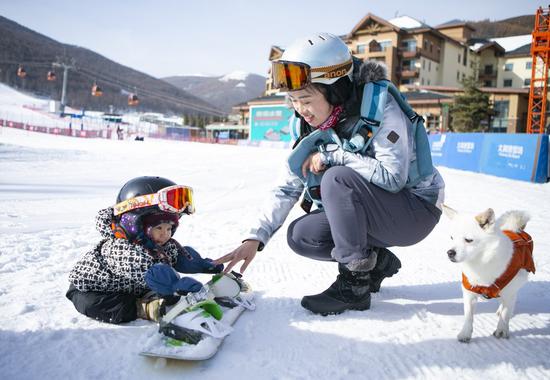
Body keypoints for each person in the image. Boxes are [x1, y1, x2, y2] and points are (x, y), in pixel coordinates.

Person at [215, 33, 445, 315]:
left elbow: (392, 178)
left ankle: (354, 287)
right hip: (380, 211)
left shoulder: (381, 107)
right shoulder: (305, 124)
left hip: (414, 210)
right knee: (302, 235)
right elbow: (288, 186)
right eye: (294, 101)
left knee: (337, 177)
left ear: (335, 90)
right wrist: (255, 238)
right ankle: (376, 262)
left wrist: (335, 155)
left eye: (307, 99)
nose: (301, 110)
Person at [66, 176, 223, 324]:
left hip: (132, 285)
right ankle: (143, 308)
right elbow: (148, 270)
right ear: (135, 225)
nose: (165, 234)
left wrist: (204, 265)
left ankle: (149, 297)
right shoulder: (119, 249)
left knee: (168, 293)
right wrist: (176, 283)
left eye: (170, 228)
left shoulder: (158, 243)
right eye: (159, 227)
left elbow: (180, 257)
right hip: (95, 292)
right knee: (106, 306)